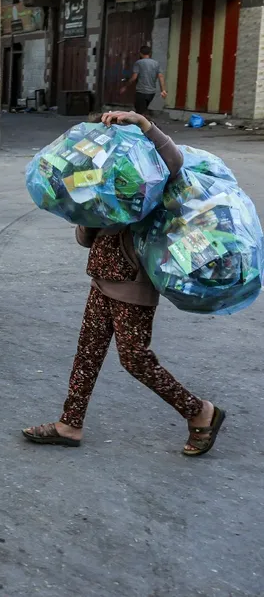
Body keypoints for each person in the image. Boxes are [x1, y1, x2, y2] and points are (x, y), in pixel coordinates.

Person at [22, 110, 224, 456]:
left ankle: (200, 411)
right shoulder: (105, 180)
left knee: (135, 359)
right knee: (87, 352)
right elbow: (86, 237)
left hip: (134, 280)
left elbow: (175, 162)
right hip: (102, 274)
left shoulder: (154, 174)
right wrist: (84, 210)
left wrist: (144, 125)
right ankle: (70, 424)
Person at [120, 45, 167, 117]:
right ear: (150, 53)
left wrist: (126, 86)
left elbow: (134, 77)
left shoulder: (139, 63)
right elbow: (160, 76)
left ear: (141, 53)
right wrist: (163, 90)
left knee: (139, 112)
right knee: (143, 110)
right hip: (151, 92)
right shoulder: (156, 63)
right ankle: (144, 124)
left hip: (141, 91)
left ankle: (143, 126)